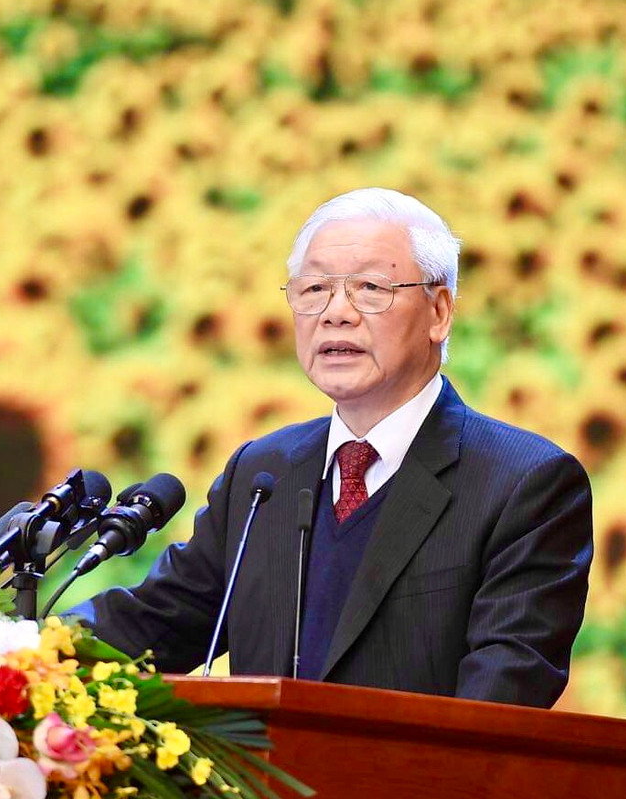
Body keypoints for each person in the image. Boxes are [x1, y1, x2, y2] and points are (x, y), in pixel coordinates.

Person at [71, 188, 593, 709]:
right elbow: (153, 626)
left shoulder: (525, 483)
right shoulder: (263, 473)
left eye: (369, 287)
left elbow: (503, 699)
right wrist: (12, 651)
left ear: (439, 312)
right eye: (315, 288)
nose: (335, 313)